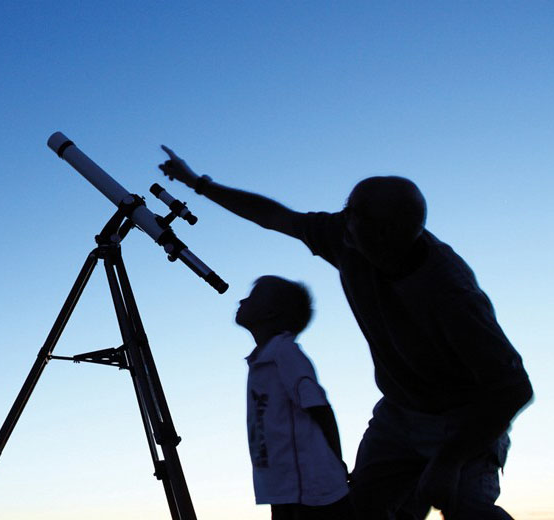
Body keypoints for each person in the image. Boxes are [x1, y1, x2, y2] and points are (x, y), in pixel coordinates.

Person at [158, 146, 533, 520]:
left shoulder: (450, 294)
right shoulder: (347, 236)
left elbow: (513, 388)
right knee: (364, 510)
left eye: (353, 213)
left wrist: (448, 461)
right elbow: (273, 216)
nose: (342, 217)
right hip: (400, 413)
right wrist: (198, 184)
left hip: (463, 420)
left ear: (384, 233)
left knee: (468, 511)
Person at [236, 275, 353, 519]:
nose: (242, 300)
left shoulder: (284, 352)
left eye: (253, 296)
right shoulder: (263, 358)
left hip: (312, 489)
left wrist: (337, 462)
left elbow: (320, 408)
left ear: (269, 313)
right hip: (284, 489)